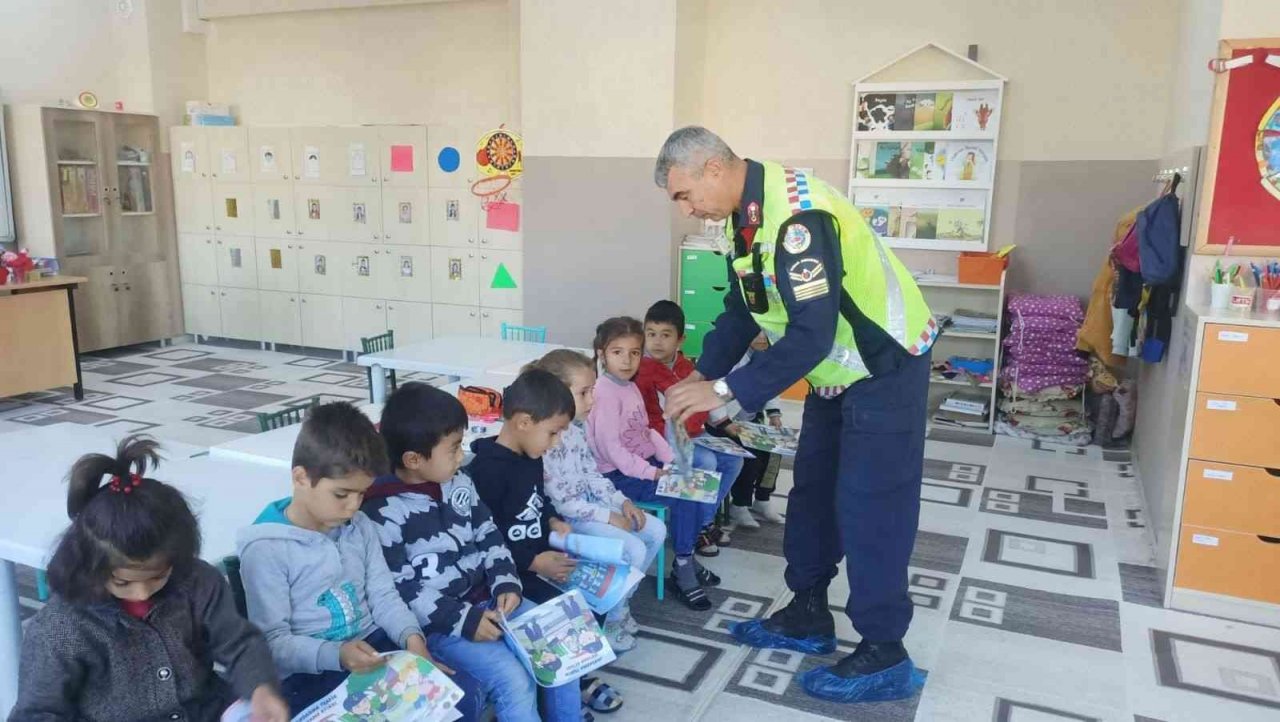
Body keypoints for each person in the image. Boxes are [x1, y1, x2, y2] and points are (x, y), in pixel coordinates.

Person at [655, 127, 935, 703]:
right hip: (838, 372)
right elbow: (743, 308)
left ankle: (886, 651)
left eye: (683, 195)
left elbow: (809, 334)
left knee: (870, 507)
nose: (685, 209)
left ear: (713, 167)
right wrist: (701, 374)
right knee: (812, 494)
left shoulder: (797, 221)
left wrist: (726, 390)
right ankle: (808, 611)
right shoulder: (745, 217)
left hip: (884, 365)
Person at [12, 435, 288, 722]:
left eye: (158, 576)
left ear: (177, 558)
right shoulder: (60, 627)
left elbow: (239, 643)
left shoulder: (197, 582)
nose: (142, 593)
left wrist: (260, 688)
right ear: (91, 565)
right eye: (123, 583)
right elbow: (37, 714)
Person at [237, 402, 436, 712]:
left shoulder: (360, 527)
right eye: (342, 494)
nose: (353, 506)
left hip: (375, 646)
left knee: (453, 701)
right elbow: (273, 642)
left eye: (362, 494)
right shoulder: (267, 548)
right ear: (301, 478)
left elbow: (384, 596)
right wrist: (337, 654)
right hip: (311, 674)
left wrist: (412, 638)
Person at [361, 382, 535, 722]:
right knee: (512, 679)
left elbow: (488, 533)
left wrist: (506, 582)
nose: (462, 456)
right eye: (454, 448)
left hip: (492, 600)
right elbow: (401, 587)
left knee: (553, 642)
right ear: (413, 460)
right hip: (441, 627)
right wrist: (463, 620)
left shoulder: (460, 482)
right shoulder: (381, 512)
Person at [467, 368, 602, 722]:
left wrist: (553, 518)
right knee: (563, 624)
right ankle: (562, 703)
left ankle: (569, 688)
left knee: (590, 607)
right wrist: (533, 563)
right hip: (509, 580)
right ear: (524, 422)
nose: (555, 443)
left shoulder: (531, 455)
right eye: (553, 433)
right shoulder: (487, 472)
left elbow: (537, 501)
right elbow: (484, 540)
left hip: (539, 562)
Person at [586, 316, 721, 611]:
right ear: (601, 354)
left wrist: (671, 461)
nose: (627, 360)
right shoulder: (605, 392)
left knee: (698, 483)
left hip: (642, 466)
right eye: (617, 352)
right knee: (685, 493)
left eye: (634, 352)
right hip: (618, 478)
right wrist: (654, 472)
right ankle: (683, 566)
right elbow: (611, 450)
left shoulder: (629, 387)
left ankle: (687, 556)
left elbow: (646, 431)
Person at [534, 349, 667, 636]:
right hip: (568, 520)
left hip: (591, 507)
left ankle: (617, 604)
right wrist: (608, 517)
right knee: (632, 547)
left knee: (655, 530)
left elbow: (593, 475)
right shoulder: (545, 437)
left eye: (592, 391)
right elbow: (561, 503)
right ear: (555, 393)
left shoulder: (576, 429)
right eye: (584, 392)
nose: (592, 400)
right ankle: (612, 618)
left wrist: (622, 502)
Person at [635, 300, 744, 555]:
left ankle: (702, 522)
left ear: (680, 340)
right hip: (661, 440)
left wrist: (725, 423)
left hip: (696, 434)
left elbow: (706, 395)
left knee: (733, 460)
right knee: (706, 462)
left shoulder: (687, 366)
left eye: (665, 335)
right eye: (651, 334)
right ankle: (694, 530)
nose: (657, 342)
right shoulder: (642, 369)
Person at [707, 332, 785, 528]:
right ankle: (739, 505)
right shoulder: (729, 358)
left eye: (765, 332)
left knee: (774, 452)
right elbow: (715, 394)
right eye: (756, 332)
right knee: (750, 458)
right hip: (725, 423)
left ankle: (762, 498)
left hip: (751, 420)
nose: (761, 337)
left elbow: (771, 387)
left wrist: (774, 414)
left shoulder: (767, 357)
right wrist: (725, 423)